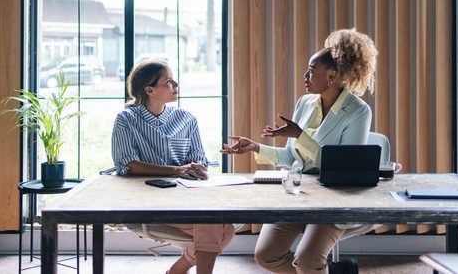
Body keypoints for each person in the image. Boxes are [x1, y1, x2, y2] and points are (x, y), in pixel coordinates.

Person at [221, 28, 377, 274]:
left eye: (312, 70)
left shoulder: (358, 111)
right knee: (266, 256)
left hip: (334, 200)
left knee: (307, 261)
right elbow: (292, 158)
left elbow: (343, 166)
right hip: (299, 193)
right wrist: (256, 147)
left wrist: (300, 136)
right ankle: (332, 271)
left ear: (332, 75)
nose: (305, 75)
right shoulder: (305, 103)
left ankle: (319, 269)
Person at [112, 60, 235, 274]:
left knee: (223, 228)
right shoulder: (126, 119)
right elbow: (128, 165)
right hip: (147, 203)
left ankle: (176, 272)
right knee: (217, 226)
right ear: (149, 90)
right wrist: (176, 170)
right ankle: (178, 271)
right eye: (168, 82)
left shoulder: (186, 118)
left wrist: (197, 168)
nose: (176, 84)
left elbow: (199, 159)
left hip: (187, 198)